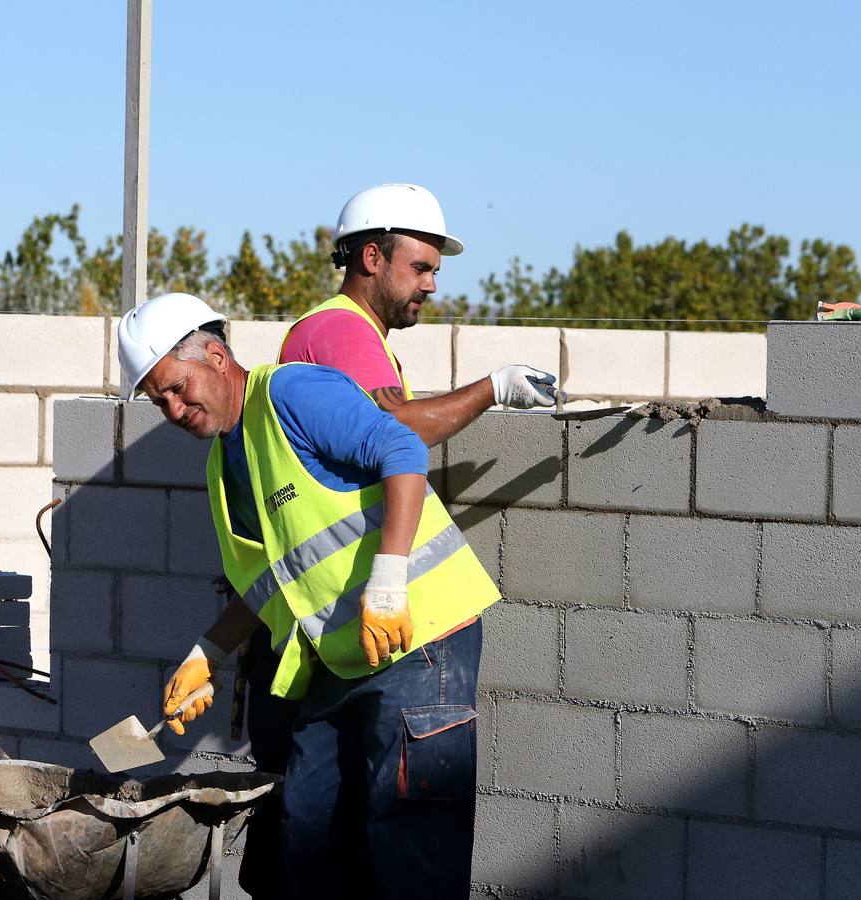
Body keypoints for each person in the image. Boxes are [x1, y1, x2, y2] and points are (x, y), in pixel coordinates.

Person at [116, 292, 501, 898]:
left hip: (419, 640)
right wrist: (206, 655)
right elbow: (275, 576)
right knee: (309, 831)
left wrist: (389, 578)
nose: (172, 407)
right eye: (157, 399)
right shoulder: (225, 460)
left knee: (410, 849)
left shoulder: (292, 394)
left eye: (176, 385)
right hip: (342, 657)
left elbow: (401, 449)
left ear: (215, 356)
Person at [281, 182, 559, 444]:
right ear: (372, 258)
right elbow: (394, 429)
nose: (431, 286)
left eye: (434, 272)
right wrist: (495, 389)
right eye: (420, 269)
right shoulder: (342, 330)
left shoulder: (337, 325)